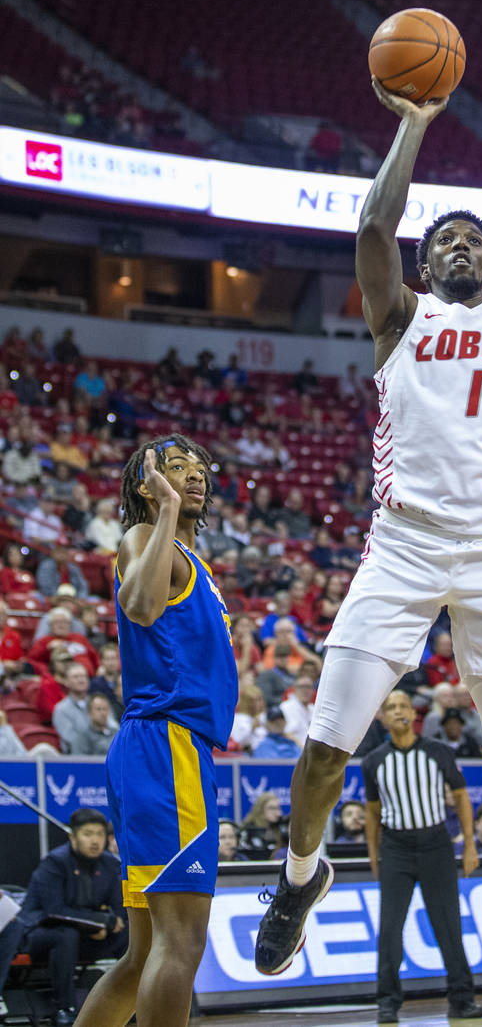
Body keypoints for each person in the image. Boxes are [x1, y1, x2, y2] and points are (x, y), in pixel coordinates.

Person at [254, 61, 482, 1027]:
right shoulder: (400, 317)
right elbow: (369, 231)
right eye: (445, 236)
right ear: (427, 261)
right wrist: (414, 126)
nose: (459, 246)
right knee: (323, 746)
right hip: (399, 548)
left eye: (473, 240)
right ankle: (302, 876)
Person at [71, 435, 237, 1027]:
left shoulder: (194, 562)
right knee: (183, 942)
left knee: (145, 954)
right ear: (147, 486)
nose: (192, 476)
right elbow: (140, 607)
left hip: (162, 747)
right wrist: (164, 510)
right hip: (167, 746)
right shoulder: (145, 537)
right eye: (174, 469)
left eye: (198, 469)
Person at [362, 690, 482, 1023]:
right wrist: (374, 855)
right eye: (391, 707)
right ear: (383, 718)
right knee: (389, 929)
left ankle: (462, 999)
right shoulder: (373, 761)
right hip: (396, 848)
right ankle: (387, 1002)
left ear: (414, 715)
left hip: (436, 845)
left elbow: (461, 797)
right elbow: (372, 812)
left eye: (403, 705)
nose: (398, 711)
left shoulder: (439, 752)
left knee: (448, 925)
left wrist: (470, 843)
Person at [18, 809, 127, 1026]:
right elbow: (54, 910)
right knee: (66, 935)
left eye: (99, 834)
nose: (95, 840)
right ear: (73, 837)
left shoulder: (111, 864)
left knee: (131, 936)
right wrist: (100, 921)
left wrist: (108, 922)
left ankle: (128, 1003)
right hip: (40, 934)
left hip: (88, 936)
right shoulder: (54, 863)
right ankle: (64, 1009)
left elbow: (120, 909)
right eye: (87, 834)